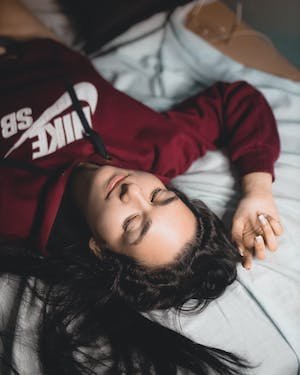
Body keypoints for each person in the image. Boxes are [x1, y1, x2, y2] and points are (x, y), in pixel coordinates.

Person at [0, 0, 283, 374]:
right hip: (34, 40)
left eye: (132, 223)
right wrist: (257, 190)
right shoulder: (157, 152)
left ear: (100, 249)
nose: (131, 191)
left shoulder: (15, 217)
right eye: (158, 196)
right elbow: (236, 101)